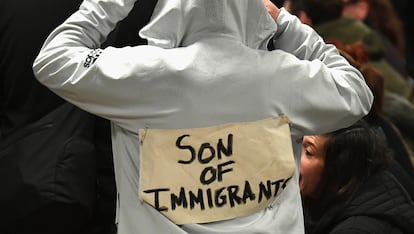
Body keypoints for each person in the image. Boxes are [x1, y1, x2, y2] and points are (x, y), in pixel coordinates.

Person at [33, 0, 373, 233]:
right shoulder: (281, 78)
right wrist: (286, 25)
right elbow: (357, 93)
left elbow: (52, 60)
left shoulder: (147, 76)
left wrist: (109, 5)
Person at [300, 120, 414, 233]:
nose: (293, 158)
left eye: (308, 152)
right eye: (298, 144)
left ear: (338, 169)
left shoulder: (356, 229)